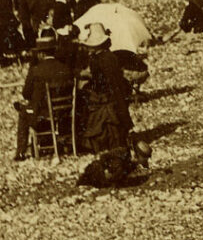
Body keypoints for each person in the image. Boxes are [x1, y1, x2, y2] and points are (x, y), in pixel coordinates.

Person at [12, 30, 74, 161]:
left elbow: (26, 93)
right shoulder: (66, 68)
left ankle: (21, 152)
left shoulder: (36, 71)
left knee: (23, 112)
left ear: (40, 53)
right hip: (65, 113)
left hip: (43, 115)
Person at [80, 22, 133, 153]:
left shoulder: (96, 60)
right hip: (117, 94)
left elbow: (98, 82)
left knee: (83, 97)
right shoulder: (111, 56)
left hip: (105, 96)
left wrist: (85, 78)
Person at [77, 140, 152, 188]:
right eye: (145, 159)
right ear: (138, 155)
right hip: (96, 173)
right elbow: (104, 160)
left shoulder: (130, 157)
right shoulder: (121, 156)